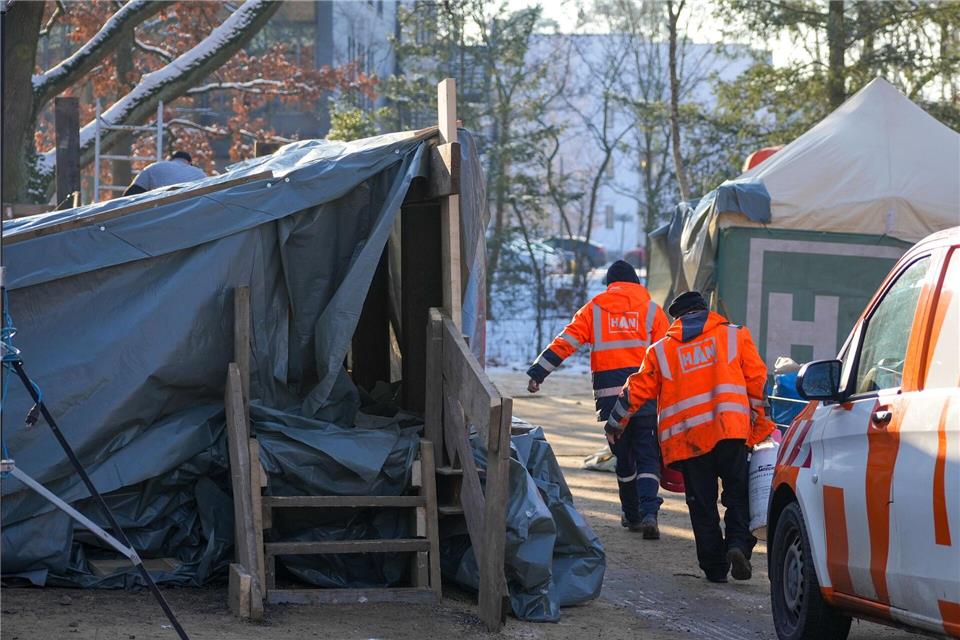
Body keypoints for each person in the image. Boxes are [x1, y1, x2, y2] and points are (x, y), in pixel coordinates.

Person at [606, 291, 774, 583]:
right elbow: (757, 380)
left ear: (677, 319)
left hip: (687, 439)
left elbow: (636, 389)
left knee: (701, 503)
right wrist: (761, 423)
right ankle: (737, 545)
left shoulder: (660, 350)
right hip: (730, 430)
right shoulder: (734, 335)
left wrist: (615, 424)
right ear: (704, 311)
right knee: (738, 494)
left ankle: (715, 567)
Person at [527, 260, 669, 538]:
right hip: (644, 396)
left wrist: (538, 372)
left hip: (609, 398)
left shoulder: (594, 309)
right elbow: (668, 353)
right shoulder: (652, 310)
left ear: (610, 284)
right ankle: (650, 511)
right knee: (648, 455)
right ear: (635, 284)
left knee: (624, 459)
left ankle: (632, 514)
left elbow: (565, 341)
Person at [123, 150, 206, 196]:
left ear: (171, 159)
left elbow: (131, 194)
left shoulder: (154, 167)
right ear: (189, 162)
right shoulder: (200, 174)